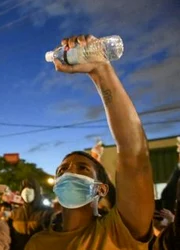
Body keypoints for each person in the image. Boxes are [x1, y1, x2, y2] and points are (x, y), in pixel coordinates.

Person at [25, 34, 154, 250]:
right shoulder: (37, 243)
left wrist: (100, 71)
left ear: (101, 190)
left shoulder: (118, 232)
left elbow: (135, 156)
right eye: (62, 170)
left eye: (83, 168)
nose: (69, 172)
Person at [11, 178, 52, 249]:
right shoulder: (15, 213)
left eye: (30, 188)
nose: (26, 191)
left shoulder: (48, 212)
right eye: (24, 188)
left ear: (37, 191)